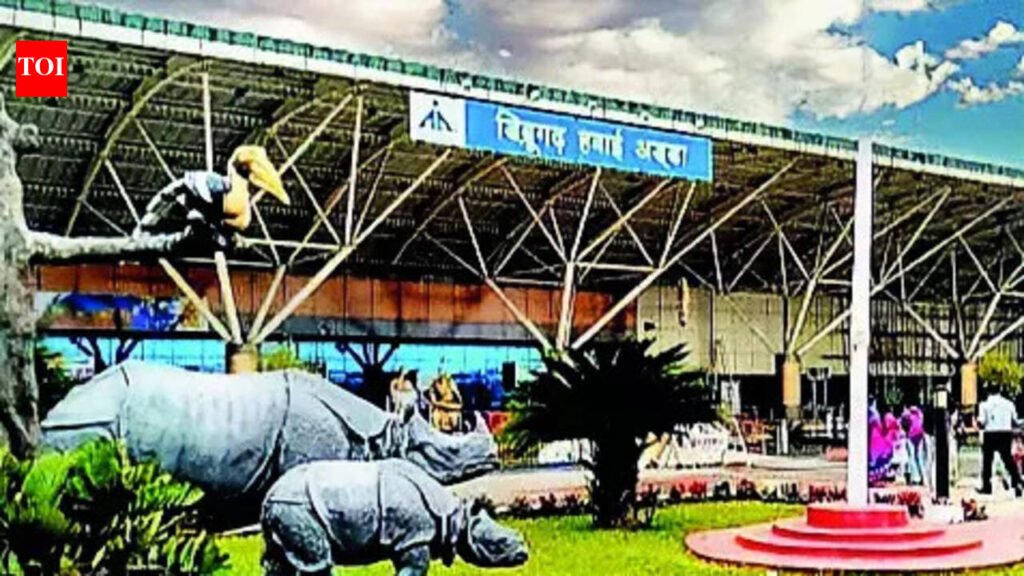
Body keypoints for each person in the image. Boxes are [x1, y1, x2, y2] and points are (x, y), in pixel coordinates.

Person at [978, 385, 1023, 497]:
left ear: (988, 391)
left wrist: (979, 424)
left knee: (987, 461)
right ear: (1000, 390)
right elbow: (1015, 420)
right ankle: (1017, 481)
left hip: (990, 433)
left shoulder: (984, 405)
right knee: (1008, 459)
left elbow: (982, 421)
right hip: (1005, 433)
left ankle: (987, 486)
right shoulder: (1009, 404)